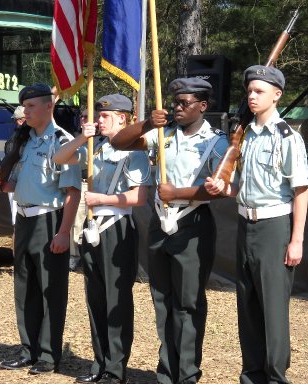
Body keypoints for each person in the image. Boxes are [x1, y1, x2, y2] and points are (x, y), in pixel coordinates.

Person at [110, 78, 228, 384]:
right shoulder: (163, 135)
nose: (176, 107)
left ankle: (188, 374)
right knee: (161, 300)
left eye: (184, 103)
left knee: (188, 303)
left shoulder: (216, 142)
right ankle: (166, 373)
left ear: (202, 106)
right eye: (174, 102)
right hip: (160, 225)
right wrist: (148, 122)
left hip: (193, 226)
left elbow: (221, 189)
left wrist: (178, 192)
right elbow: (118, 142)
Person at [205, 65, 308, 384]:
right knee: (247, 305)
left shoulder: (287, 137)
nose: (252, 96)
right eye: (249, 90)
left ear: (277, 95)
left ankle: (276, 377)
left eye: (259, 91)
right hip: (244, 225)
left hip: (274, 227)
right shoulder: (246, 136)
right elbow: (242, 187)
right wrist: (223, 189)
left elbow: (301, 189)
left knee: (272, 310)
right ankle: (252, 375)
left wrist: (296, 240)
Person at [53, 94, 152, 384]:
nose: (99, 120)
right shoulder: (95, 147)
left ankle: (116, 367)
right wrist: (81, 138)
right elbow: (59, 158)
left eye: (105, 116)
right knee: (95, 298)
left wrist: (102, 198)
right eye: (98, 115)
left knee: (116, 300)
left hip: (117, 226)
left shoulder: (134, 151)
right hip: (92, 227)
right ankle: (99, 362)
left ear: (123, 118)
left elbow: (139, 196)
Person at [0, 83, 81, 375]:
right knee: (24, 287)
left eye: (30, 106)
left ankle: (49, 356)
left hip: (49, 220)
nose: (24, 111)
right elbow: (15, 184)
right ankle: (29, 350)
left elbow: (72, 192)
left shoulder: (61, 142)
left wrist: (64, 232)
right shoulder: (23, 142)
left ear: (49, 106)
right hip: (24, 220)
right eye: (23, 106)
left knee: (51, 288)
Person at [69, 108, 98, 271]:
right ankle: (74, 256)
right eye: (81, 116)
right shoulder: (74, 139)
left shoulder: (101, 140)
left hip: (97, 185)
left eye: (87, 117)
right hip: (80, 184)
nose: (83, 119)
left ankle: (92, 255)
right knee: (76, 222)